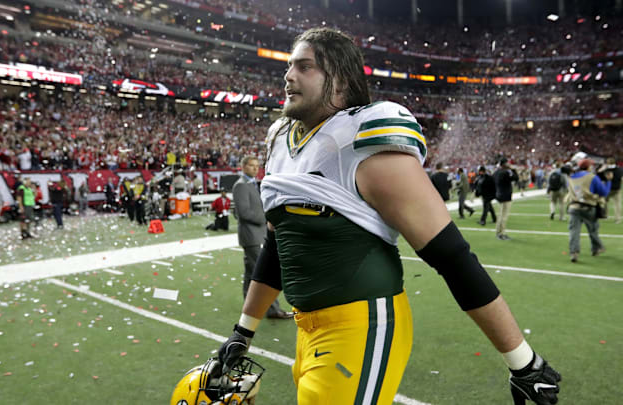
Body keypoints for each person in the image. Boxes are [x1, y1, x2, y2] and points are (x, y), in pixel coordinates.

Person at [216, 28, 560, 405]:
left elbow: (453, 257)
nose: (289, 75)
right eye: (289, 66)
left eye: (305, 66)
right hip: (306, 329)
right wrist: (243, 330)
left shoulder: (365, 140)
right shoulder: (281, 140)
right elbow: (276, 247)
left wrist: (523, 361)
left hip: (360, 328)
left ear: (341, 80)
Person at [232, 155, 292, 320]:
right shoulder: (241, 186)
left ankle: (249, 308)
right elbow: (243, 213)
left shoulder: (252, 184)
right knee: (265, 273)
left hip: (256, 234)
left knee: (251, 272)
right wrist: (266, 217)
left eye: (257, 166)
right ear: (243, 166)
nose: (255, 169)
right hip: (252, 236)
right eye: (251, 166)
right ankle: (272, 309)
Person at [566, 158, 612, 262]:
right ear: (589, 166)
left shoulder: (571, 177)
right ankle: (596, 248)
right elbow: (604, 192)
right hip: (588, 207)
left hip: (574, 207)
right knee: (593, 229)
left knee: (574, 231)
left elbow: (569, 189)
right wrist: (608, 181)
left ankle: (574, 252)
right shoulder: (592, 177)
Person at [493, 159, 519, 240]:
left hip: (499, 195)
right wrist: (513, 169)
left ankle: (498, 232)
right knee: (503, 216)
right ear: (504, 164)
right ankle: (501, 233)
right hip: (506, 196)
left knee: (500, 215)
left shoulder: (496, 172)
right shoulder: (506, 172)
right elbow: (516, 178)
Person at [605, 157, 622, 224]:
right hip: (617, 189)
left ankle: (606, 215)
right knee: (617, 204)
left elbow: (606, 179)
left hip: (608, 189)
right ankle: (618, 219)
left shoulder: (607, 170)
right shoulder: (619, 169)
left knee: (604, 202)